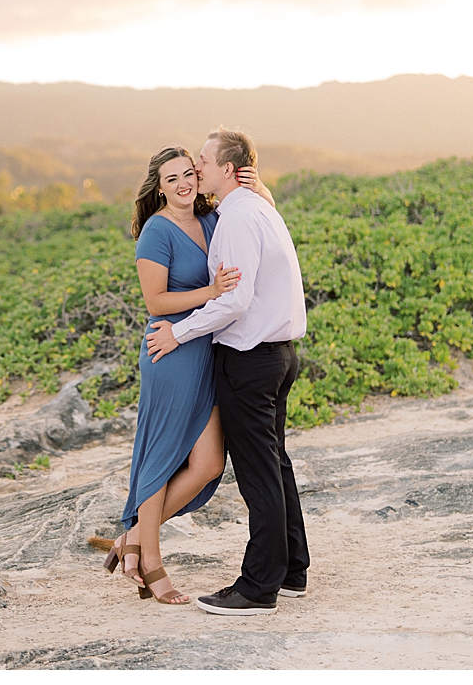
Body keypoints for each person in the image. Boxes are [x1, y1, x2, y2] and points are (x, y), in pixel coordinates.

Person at [145, 127, 309, 616]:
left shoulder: (238, 218)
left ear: (228, 170)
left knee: (260, 474)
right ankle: (292, 569)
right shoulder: (255, 208)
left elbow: (234, 299)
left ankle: (258, 587)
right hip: (279, 355)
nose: (197, 168)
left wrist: (180, 332)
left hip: (250, 359)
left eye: (203, 161)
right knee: (276, 464)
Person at [103, 145, 274, 605]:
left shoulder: (213, 219)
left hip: (207, 352)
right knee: (160, 462)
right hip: (171, 351)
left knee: (208, 465)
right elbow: (155, 303)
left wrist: (259, 188)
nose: (183, 184)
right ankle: (153, 568)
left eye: (188, 174)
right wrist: (212, 290)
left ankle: (134, 538)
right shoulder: (156, 232)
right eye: (172, 177)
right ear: (159, 186)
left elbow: (263, 226)